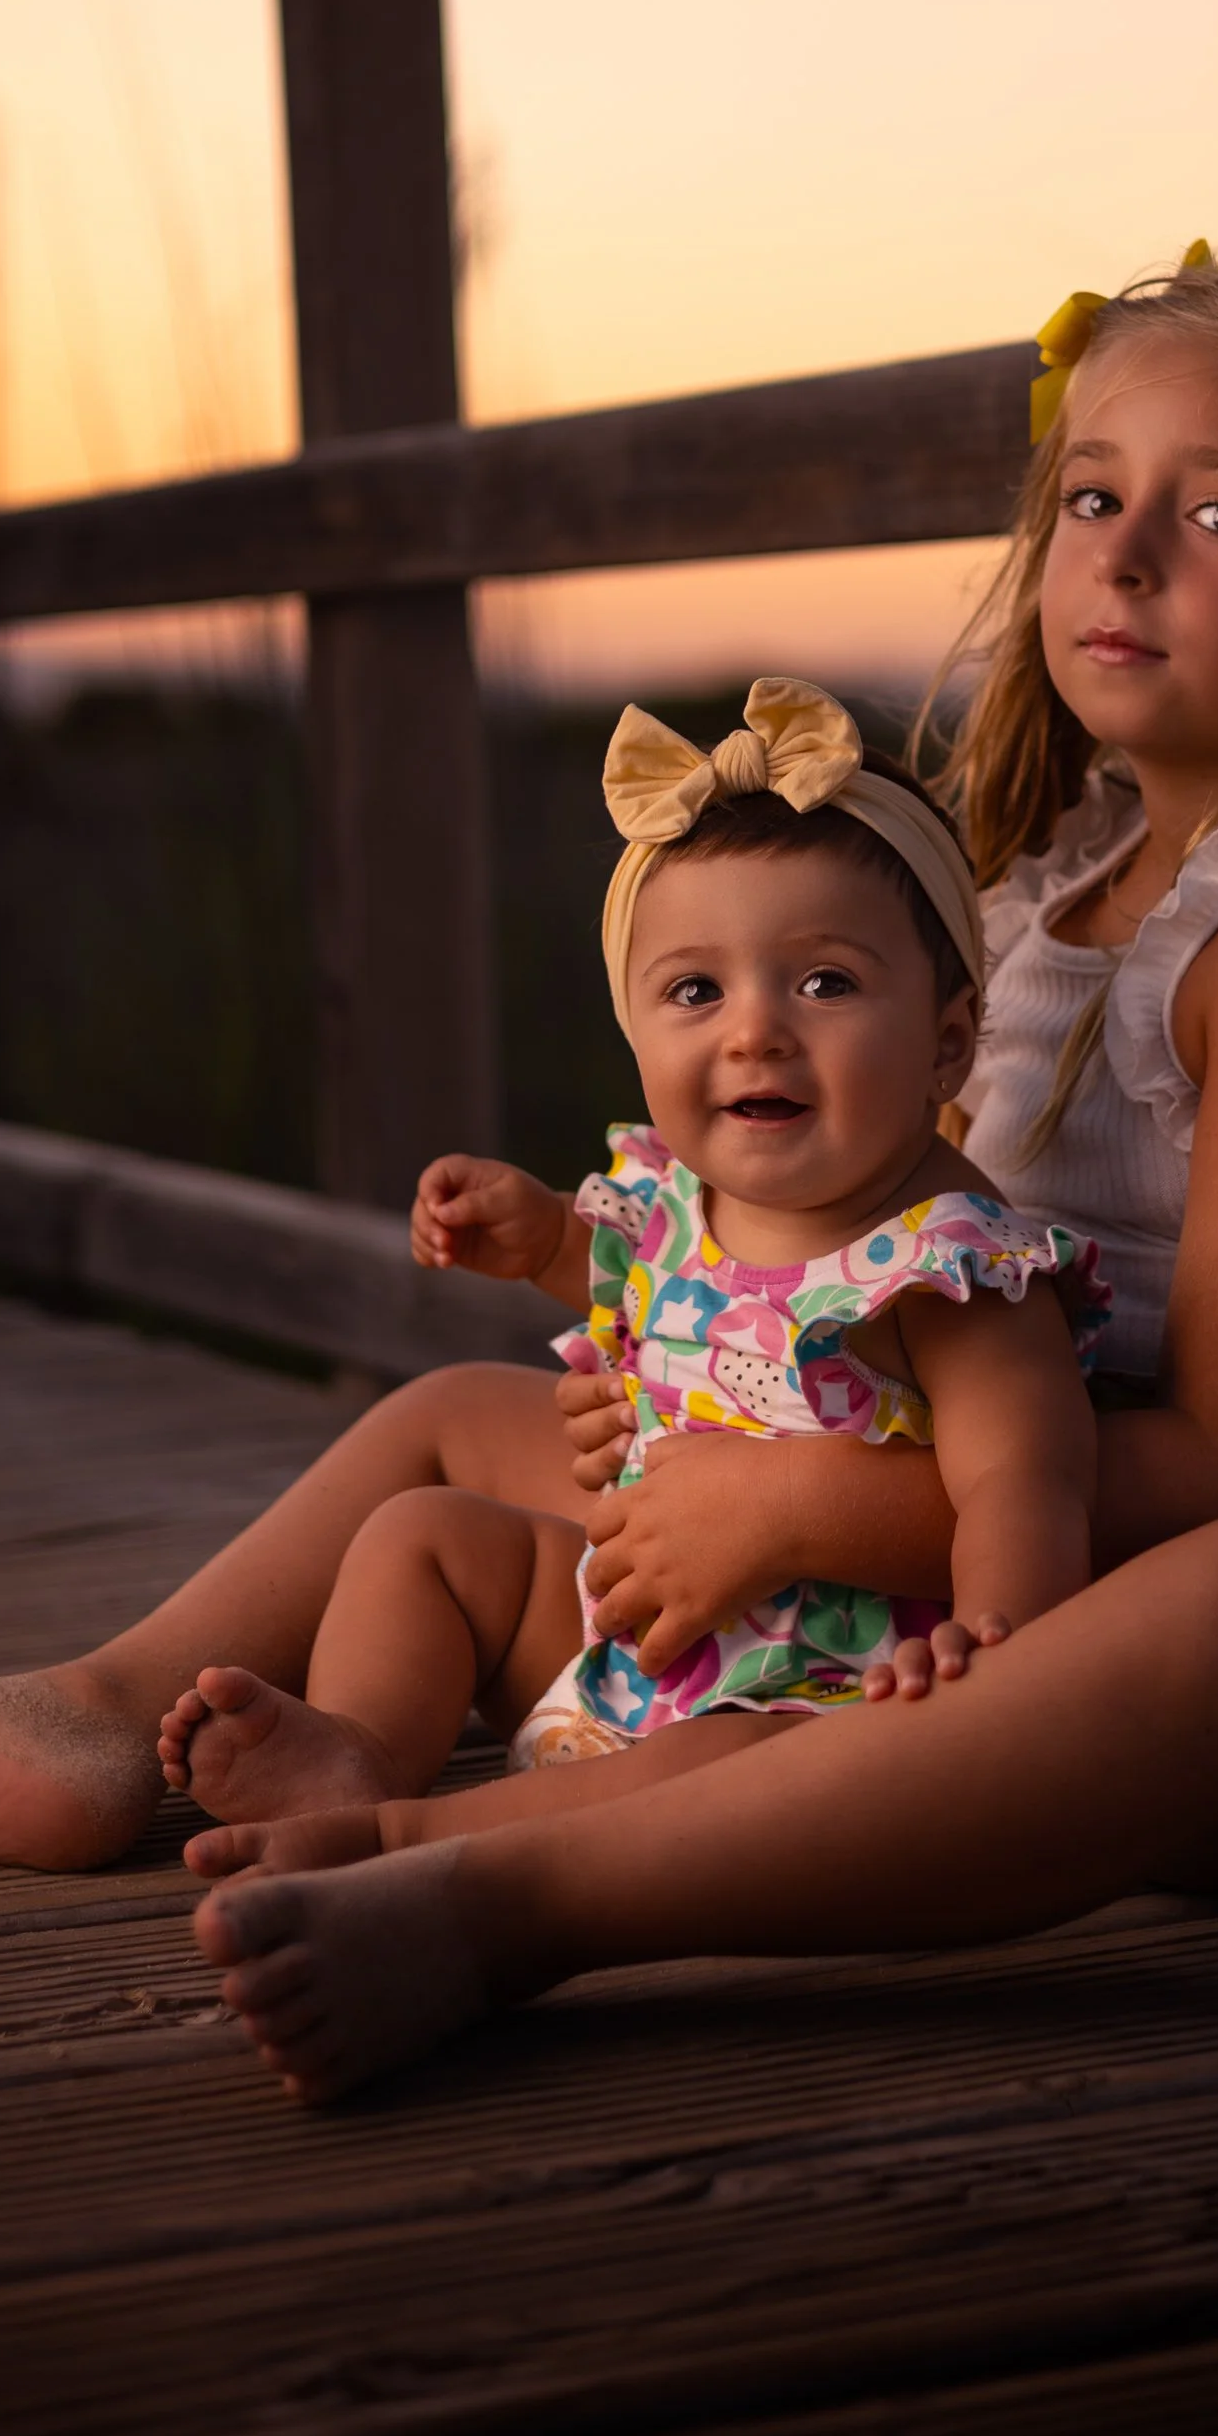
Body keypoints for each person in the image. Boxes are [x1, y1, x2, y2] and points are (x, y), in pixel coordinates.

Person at [180, 255, 1218, 2097]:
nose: (1125, 554)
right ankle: (105, 1714)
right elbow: (875, 1251)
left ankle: (503, 1900)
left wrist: (784, 1506)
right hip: (990, 1525)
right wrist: (699, 1385)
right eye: (1095, 498)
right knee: (469, 1418)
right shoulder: (1040, 892)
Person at [150, 680, 1105, 1841]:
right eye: (696, 990)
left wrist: (994, 1651)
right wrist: (539, 1233)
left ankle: (443, 1843)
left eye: (825, 982)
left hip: (822, 1687)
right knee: (426, 1534)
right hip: (633, 1637)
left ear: (947, 1041)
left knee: (730, 1761)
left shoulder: (949, 1263)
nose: (754, 1028)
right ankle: (359, 1746)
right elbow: (623, 1267)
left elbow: (1025, 1479)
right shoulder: (676, 1198)